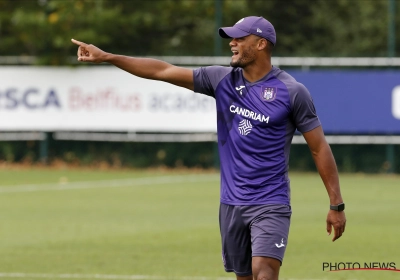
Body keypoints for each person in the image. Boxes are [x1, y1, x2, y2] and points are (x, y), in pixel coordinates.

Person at [72, 15, 346, 280]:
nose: (232, 43)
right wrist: (107, 56)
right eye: (231, 38)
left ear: (261, 44)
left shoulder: (292, 91)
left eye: (239, 38)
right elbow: (162, 71)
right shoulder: (221, 80)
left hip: (270, 203)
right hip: (231, 204)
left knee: (264, 274)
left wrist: (336, 204)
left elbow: (319, 148)